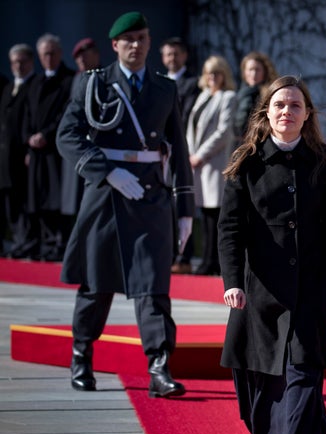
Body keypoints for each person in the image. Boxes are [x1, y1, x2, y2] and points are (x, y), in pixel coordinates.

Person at [218, 75, 326, 434]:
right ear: (266, 112)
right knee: (261, 386)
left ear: (307, 114)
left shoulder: (323, 162)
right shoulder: (246, 162)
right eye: (279, 105)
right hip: (258, 294)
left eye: (295, 105)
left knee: (304, 380)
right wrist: (233, 282)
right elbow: (230, 230)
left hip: (309, 293)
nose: (287, 112)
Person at [56, 11, 194, 398]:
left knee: (154, 287)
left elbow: (179, 152)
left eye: (142, 38)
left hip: (150, 196)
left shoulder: (165, 89)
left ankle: (159, 367)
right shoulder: (93, 85)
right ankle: (81, 356)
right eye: (128, 39)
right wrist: (106, 172)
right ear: (114, 45)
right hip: (106, 197)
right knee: (96, 285)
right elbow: (67, 136)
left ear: (150, 43)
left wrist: (185, 211)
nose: (136, 45)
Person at [23, 33, 75, 261]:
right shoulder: (35, 82)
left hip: (56, 150)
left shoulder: (69, 80)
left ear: (60, 54)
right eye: (45, 54)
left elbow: (67, 113)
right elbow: (26, 115)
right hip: (36, 152)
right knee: (39, 197)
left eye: (53, 53)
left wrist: (46, 134)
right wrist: (29, 139)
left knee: (58, 198)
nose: (49, 57)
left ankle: (60, 242)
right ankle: (45, 242)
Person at [186, 55, 236, 276]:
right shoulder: (203, 96)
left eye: (216, 73)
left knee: (216, 215)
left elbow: (223, 133)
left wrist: (200, 155)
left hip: (215, 162)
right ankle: (207, 259)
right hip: (199, 162)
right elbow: (191, 127)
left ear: (224, 75)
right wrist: (191, 153)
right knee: (205, 214)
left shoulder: (228, 97)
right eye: (209, 73)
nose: (212, 77)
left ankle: (214, 261)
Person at [161, 36, 200, 275]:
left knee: (183, 202)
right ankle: (169, 252)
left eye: (176, 54)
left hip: (183, 148)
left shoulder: (193, 84)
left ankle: (184, 255)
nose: (172, 58)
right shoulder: (157, 82)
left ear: (184, 56)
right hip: (160, 151)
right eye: (168, 54)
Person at [60, 38, 102, 230]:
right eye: (78, 59)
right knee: (74, 196)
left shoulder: (104, 76)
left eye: (85, 56)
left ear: (96, 55)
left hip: (96, 143)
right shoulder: (78, 78)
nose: (81, 62)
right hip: (78, 143)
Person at [0, 44, 35, 257]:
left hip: (22, 156)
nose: (18, 66)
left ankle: (23, 242)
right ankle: (10, 241)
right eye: (14, 62)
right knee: (7, 203)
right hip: (4, 158)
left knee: (22, 202)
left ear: (31, 62)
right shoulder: (6, 88)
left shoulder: (34, 86)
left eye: (22, 61)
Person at [233, 51, 277, 143]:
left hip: (261, 141)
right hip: (239, 143)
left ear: (264, 72)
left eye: (257, 70)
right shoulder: (240, 94)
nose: (253, 74)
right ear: (244, 72)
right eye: (250, 69)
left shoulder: (270, 94)